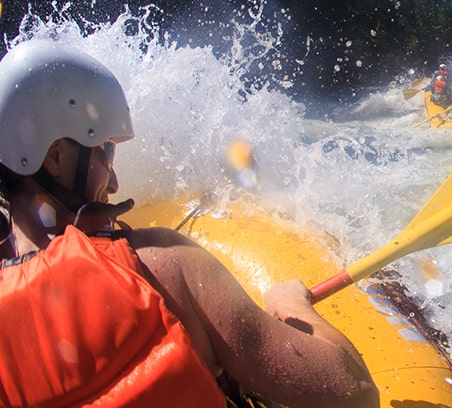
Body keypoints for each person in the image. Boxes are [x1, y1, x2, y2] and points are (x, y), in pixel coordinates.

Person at [0, 39, 378, 408]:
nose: (114, 183)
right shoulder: (162, 264)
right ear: (54, 157)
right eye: (105, 152)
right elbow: (357, 394)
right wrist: (293, 306)